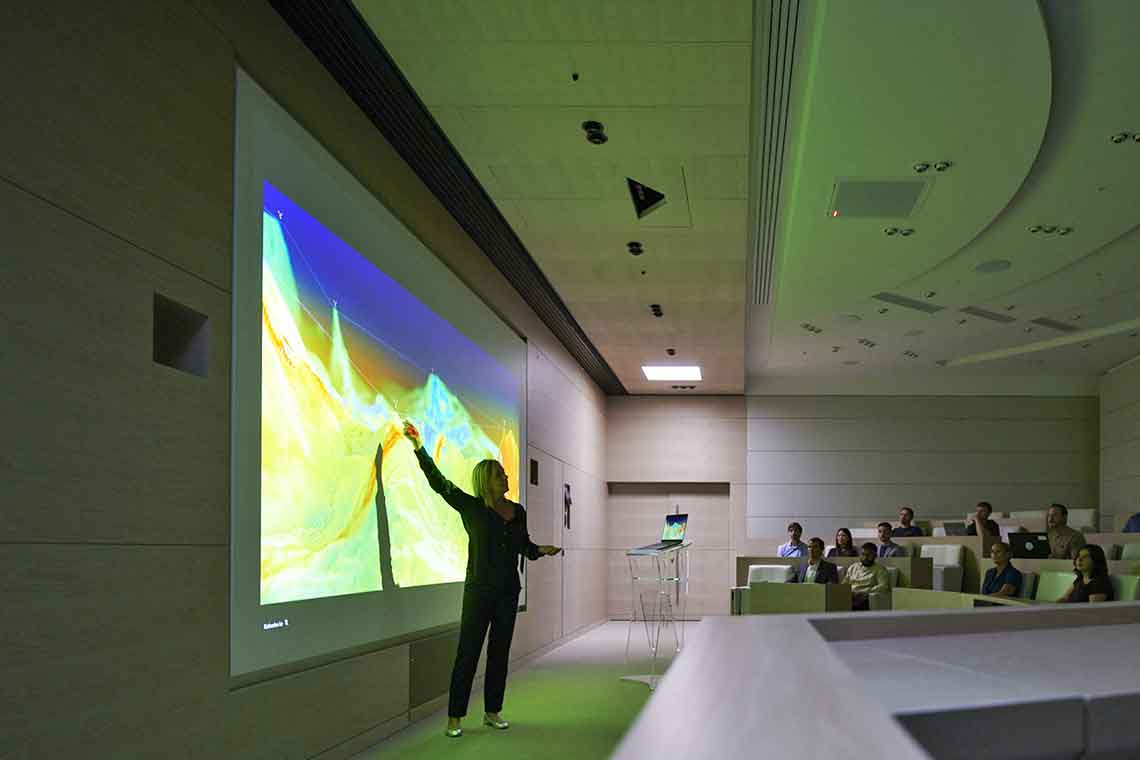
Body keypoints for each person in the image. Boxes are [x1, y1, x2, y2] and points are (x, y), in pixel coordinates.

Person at [403, 420, 561, 738]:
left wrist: (539, 549)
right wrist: (419, 447)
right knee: (468, 653)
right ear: (487, 481)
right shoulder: (472, 508)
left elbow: (524, 547)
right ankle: (455, 718)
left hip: (507, 593)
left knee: (499, 654)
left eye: (504, 473)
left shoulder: (517, 511)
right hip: (478, 592)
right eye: (500, 474)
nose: (506, 476)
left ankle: (492, 712)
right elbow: (440, 483)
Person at [844, 543, 891, 610]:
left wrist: (865, 592)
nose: (865, 557)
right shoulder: (853, 567)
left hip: (865, 597)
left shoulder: (880, 569)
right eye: (863, 554)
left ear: (875, 556)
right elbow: (844, 584)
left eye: (869, 555)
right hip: (850, 595)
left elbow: (883, 586)